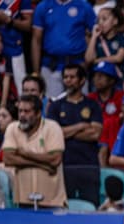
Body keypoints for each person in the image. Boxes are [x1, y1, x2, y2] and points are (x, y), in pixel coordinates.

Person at [46, 64, 102, 208]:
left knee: (91, 207)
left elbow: (95, 134)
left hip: (89, 165)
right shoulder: (55, 106)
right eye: (65, 77)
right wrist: (81, 126)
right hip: (64, 166)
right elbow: (53, 134)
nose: (68, 81)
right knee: (64, 208)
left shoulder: (93, 105)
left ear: (82, 80)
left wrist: (65, 132)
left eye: (72, 77)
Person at [2, 94, 66, 209]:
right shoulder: (12, 128)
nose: (22, 115)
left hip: (52, 202)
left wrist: (25, 154)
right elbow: (7, 158)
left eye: (27, 111)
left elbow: (55, 159)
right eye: (20, 111)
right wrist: (43, 164)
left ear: (38, 114)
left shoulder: (53, 128)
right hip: (23, 200)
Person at [31, 0, 96, 97]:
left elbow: (96, 33)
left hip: (77, 67)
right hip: (51, 67)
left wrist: (87, 62)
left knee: (80, 107)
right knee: (52, 107)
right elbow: (36, 40)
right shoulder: (43, 6)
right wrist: (36, 73)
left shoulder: (84, 5)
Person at [87, 61, 124, 167]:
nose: (96, 79)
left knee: (110, 122)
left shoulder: (121, 97)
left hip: (116, 140)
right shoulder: (90, 98)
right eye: (95, 76)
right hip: (95, 141)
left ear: (111, 80)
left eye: (100, 76)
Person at [85, 4, 124, 80]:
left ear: (115, 21)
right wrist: (94, 37)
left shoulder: (122, 39)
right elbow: (88, 60)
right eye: (98, 20)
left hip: (116, 81)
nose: (100, 22)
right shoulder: (96, 39)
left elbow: (118, 58)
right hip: (96, 80)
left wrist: (97, 60)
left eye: (104, 19)